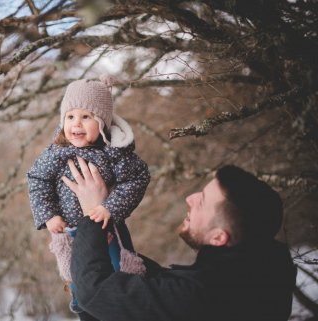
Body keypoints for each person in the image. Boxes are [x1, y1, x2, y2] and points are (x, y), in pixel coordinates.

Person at [64, 163, 297, 321]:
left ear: (219, 238)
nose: (190, 198)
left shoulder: (205, 295)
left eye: (202, 201)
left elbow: (94, 293)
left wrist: (93, 215)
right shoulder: (254, 284)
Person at [26, 75, 150, 315]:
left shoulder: (114, 152)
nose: (76, 124)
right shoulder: (57, 151)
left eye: (86, 117)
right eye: (70, 117)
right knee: (79, 276)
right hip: (71, 230)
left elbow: (138, 178)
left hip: (108, 227)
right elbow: (37, 179)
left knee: (119, 272)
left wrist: (110, 207)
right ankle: (81, 304)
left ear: (102, 122)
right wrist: (49, 215)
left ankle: (125, 308)